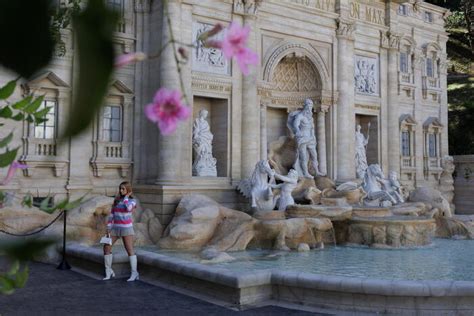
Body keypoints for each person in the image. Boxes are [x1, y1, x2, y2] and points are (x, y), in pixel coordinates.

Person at [103, 181, 139, 281]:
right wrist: (108, 228)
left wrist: (126, 198)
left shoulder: (132, 201)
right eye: (120, 188)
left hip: (126, 228)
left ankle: (134, 273)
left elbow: (128, 209)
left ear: (128, 190)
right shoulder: (117, 200)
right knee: (106, 247)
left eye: (123, 189)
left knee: (129, 250)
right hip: (115, 228)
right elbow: (112, 215)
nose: (121, 190)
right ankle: (108, 271)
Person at [287, 99, 325, 178]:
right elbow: (295, 125)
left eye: (311, 106)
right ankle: (305, 173)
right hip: (302, 137)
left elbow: (312, 128)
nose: (310, 108)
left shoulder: (310, 117)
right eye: (308, 106)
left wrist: (313, 136)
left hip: (310, 138)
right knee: (303, 156)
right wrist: (298, 132)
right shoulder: (300, 116)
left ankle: (317, 171)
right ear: (305, 106)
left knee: (314, 155)